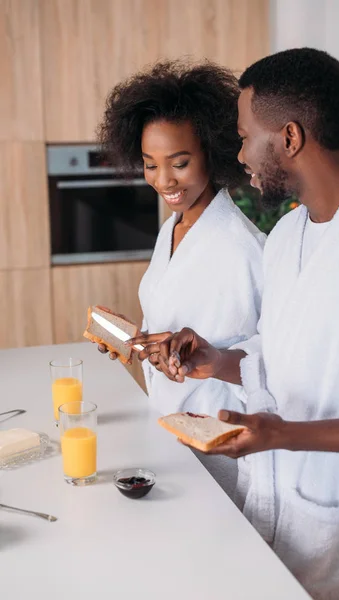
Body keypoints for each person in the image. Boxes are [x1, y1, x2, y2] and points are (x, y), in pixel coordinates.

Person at [131, 49, 339, 600]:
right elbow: (282, 353)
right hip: (280, 514)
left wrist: (283, 434)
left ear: (290, 138)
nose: (238, 152)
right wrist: (218, 360)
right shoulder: (287, 237)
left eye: (244, 135)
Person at [97, 60, 266, 498]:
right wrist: (131, 340)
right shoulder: (174, 227)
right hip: (171, 428)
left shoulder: (239, 248)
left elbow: (266, 358)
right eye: (151, 165)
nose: (164, 180)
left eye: (180, 162)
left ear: (211, 150)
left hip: (215, 441)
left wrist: (194, 358)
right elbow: (173, 328)